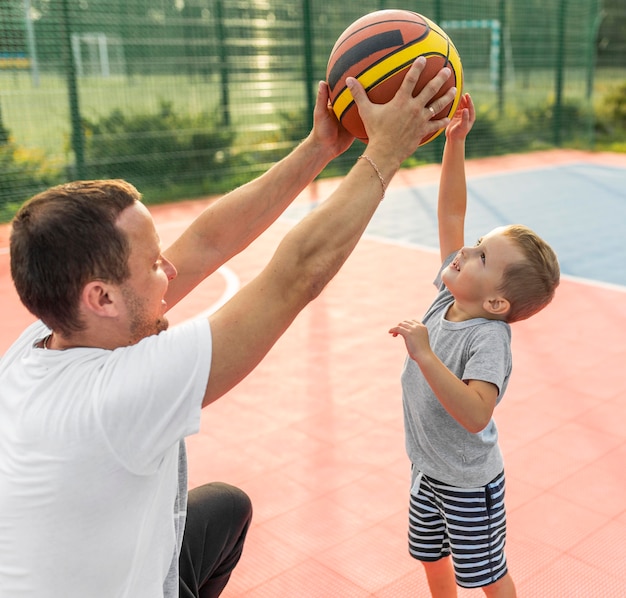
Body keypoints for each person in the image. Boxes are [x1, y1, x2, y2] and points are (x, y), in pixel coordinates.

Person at [0, 57, 457, 597]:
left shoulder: (40, 341)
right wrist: (386, 152)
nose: (168, 267)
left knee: (226, 509)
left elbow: (206, 244)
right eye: (152, 264)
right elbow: (296, 277)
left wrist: (320, 149)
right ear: (100, 297)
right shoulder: (116, 397)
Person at [389, 93, 560, 598]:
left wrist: (425, 355)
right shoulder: (451, 291)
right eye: (476, 242)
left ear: (498, 303)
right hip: (426, 468)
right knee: (430, 556)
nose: (464, 249)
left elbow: (476, 413)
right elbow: (451, 212)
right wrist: (455, 143)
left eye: (481, 255)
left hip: (468, 484)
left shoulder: (488, 338)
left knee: (486, 576)